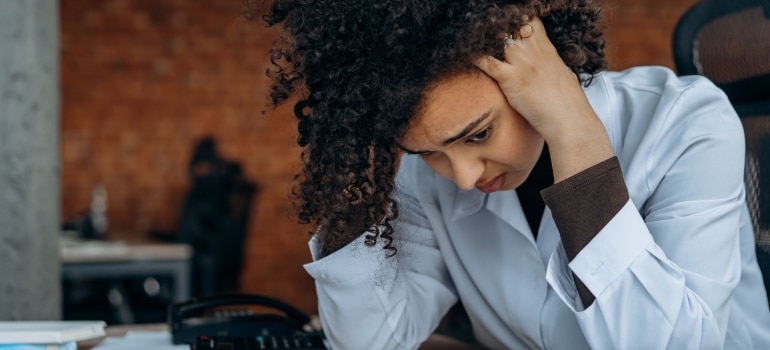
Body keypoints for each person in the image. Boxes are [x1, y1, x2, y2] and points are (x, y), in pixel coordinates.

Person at [260, 0, 770, 348]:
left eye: (478, 134)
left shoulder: (684, 122)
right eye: (425, 152)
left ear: (538, 64)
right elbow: (371, 340)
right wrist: (353, 172)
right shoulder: (428, 176)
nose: (460, 176)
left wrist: (575, 131)